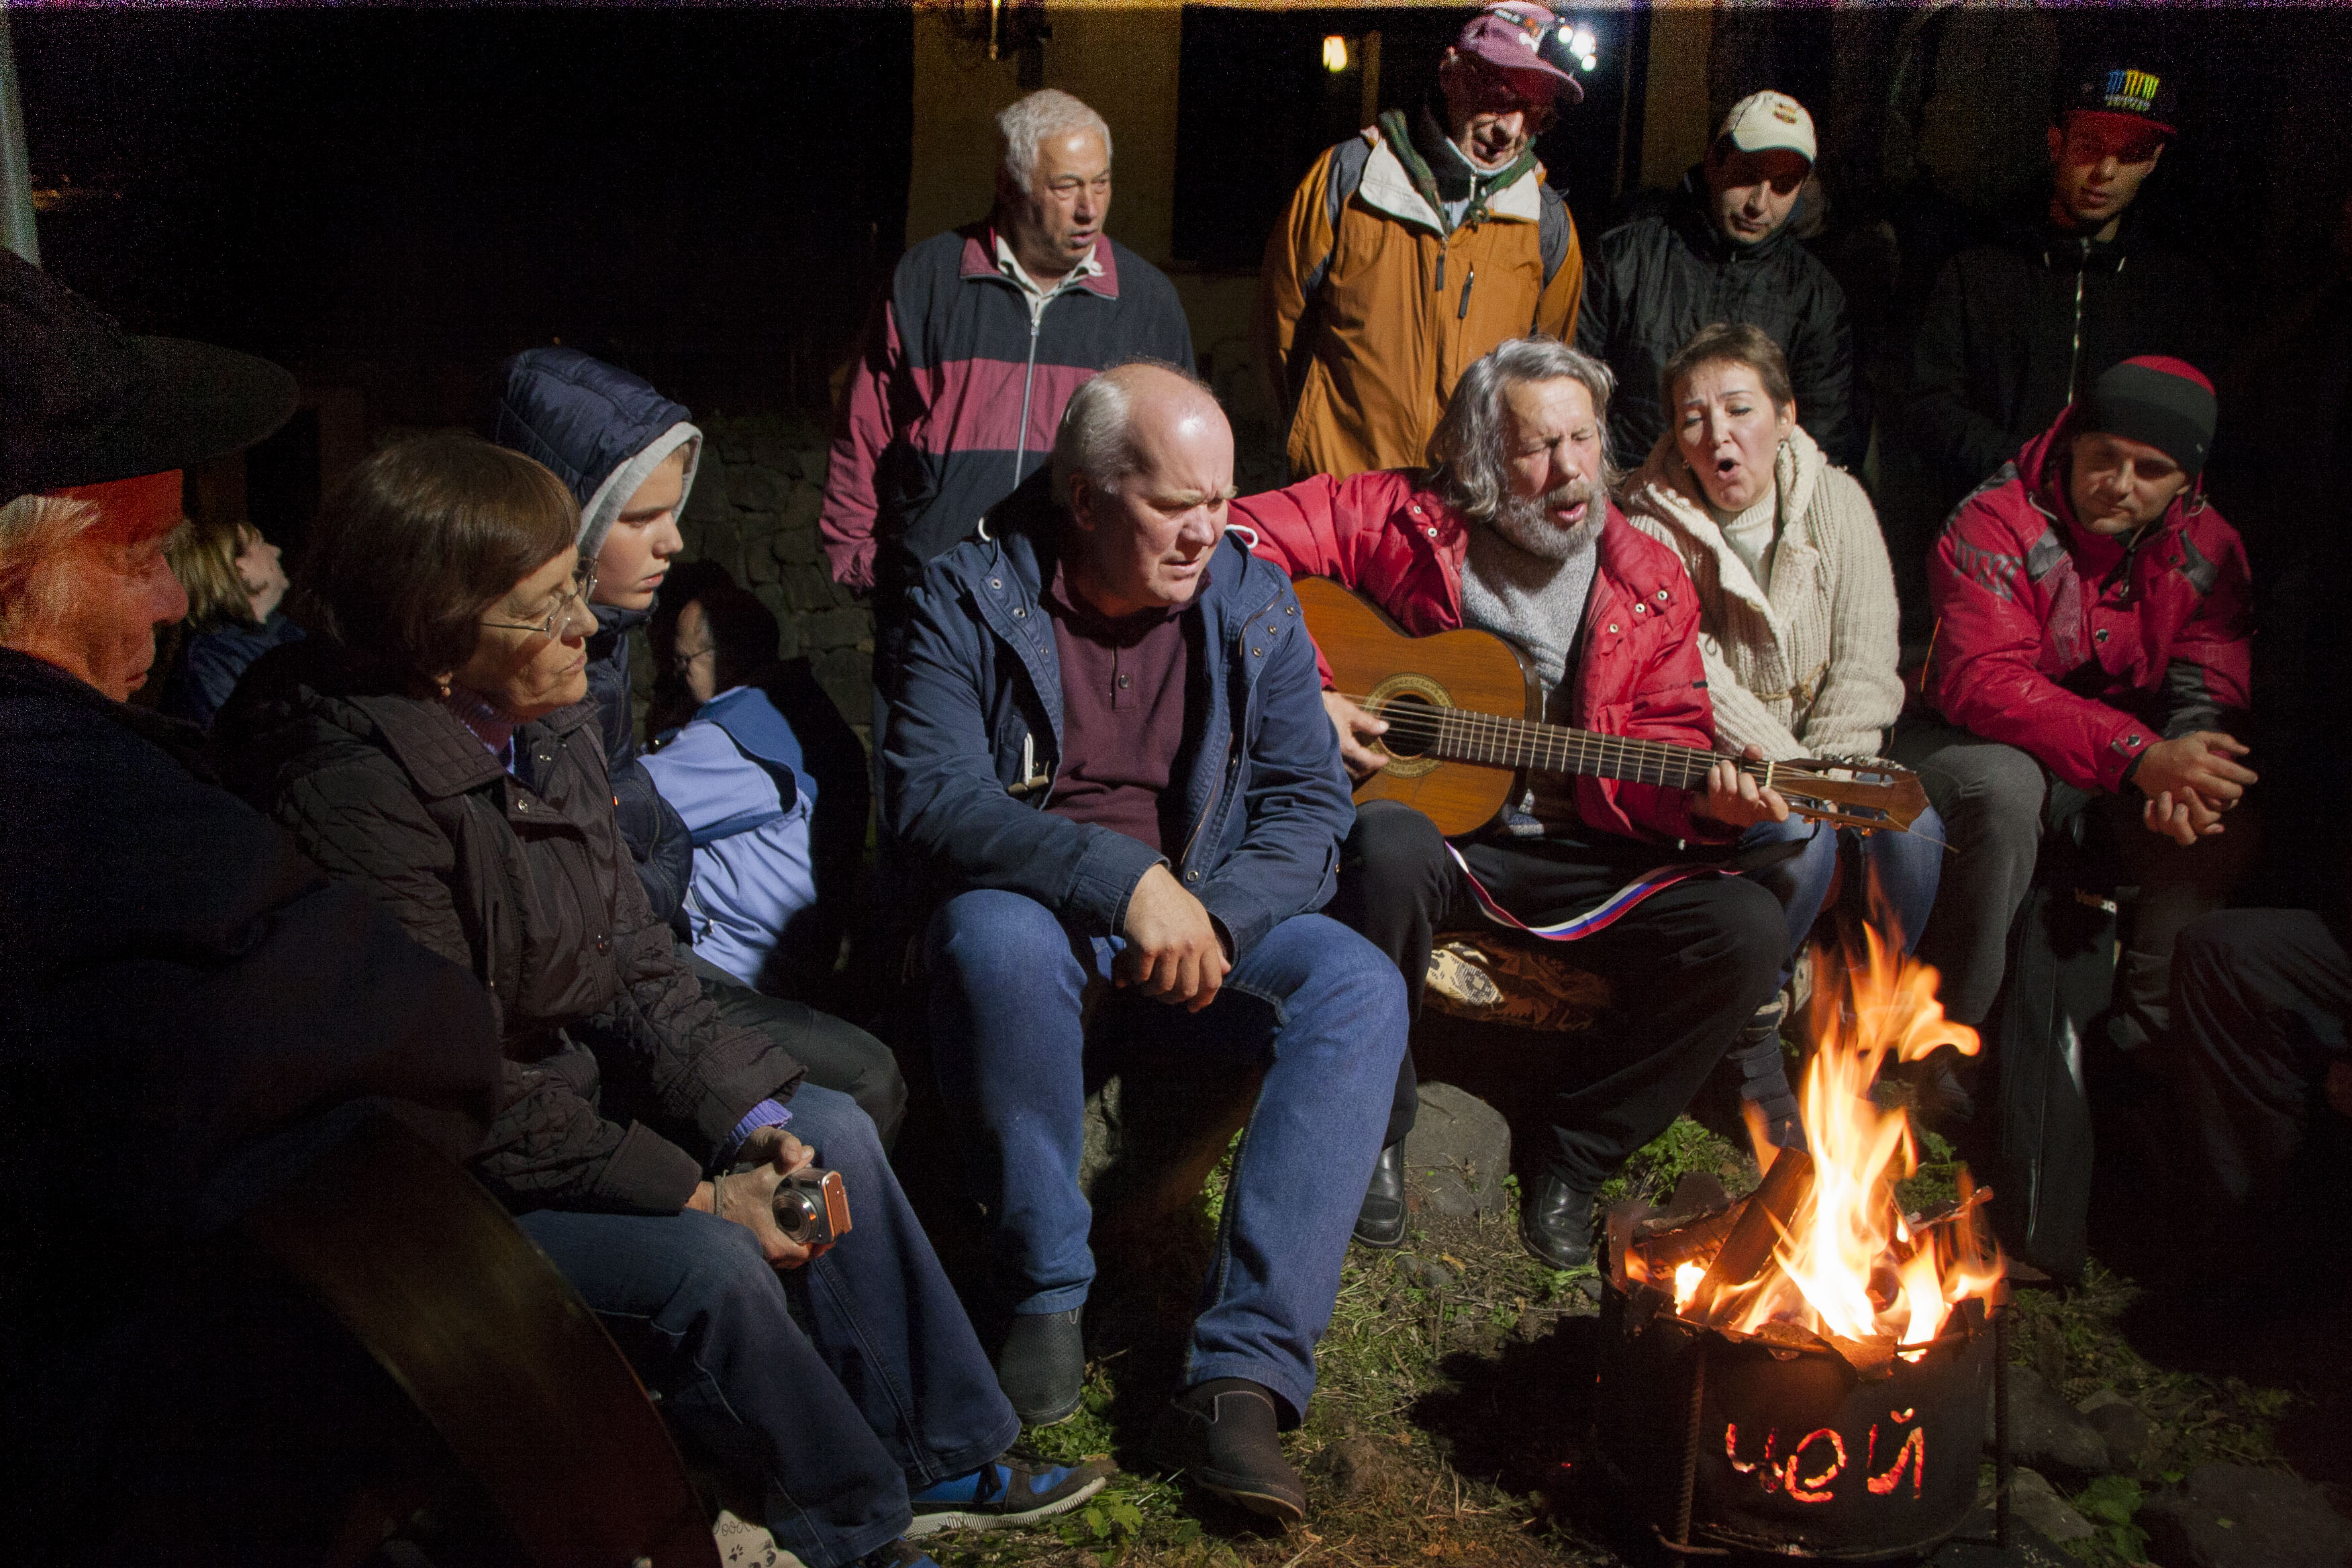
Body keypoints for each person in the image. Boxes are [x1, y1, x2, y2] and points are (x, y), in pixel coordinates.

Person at [215, 434, 1108, 1568]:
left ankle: (937, 1448)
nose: (586, 631)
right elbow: (454, 1076)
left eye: (574, 592)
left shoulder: (542, 722)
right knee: (710, 1267)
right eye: (543, 611)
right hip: (440, 1170)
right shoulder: (349, 796)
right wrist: (690, 1192)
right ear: (434, 635)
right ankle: (852, 1523)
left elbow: (634, 956)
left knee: (824, 1124)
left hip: (562, 1098)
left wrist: (751, 1122)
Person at [0, 250, 503, 1563]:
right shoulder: (80, 806)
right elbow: (430, 1028)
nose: (174, 600)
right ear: (18, 568)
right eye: (145, 553)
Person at [887, 361, 1408, 1524]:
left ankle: (1243, 1376)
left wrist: (1211, 915)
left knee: (1357, 988)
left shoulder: (1249, 598)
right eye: (1176, 505)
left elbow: (1307, 806)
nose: (1206, 533)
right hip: (1041, 911)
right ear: (1082, 498)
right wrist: (1120, 879)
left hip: (1201, 922)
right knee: (992, 939)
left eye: (1222, 501)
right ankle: (1044, 1286)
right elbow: (933, 798)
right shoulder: (961, 594)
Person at [1231, 336, 1790, 1266]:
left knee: (1746, 929)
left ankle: (1578, 1148)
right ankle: (1374, 1118)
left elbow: (1669, 742)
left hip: (1589, 854)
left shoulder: (1648, 580)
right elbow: (1234, 538)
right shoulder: (1395, 516)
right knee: (1386, 844)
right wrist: (1308, 693)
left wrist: (1708, 809)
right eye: (1537, 448)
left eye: (1584, 438)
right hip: (1444, 839)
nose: (1571, 471)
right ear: (1479, 460)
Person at [493, 347, 906, 1146]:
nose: (673, 541)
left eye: (686, 663)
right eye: (644, 517)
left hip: (708, 972)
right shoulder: (556, 682)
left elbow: (633, 827)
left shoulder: (741, 727)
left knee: (853, 1098)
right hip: (637, 985)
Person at [1892, 356, 2258, 1101]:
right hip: (1969, 739)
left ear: (2186, 480)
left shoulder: (2208, 547)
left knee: (2219, 815)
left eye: (2149, 469)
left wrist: (2187, 768)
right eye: (2104, 456)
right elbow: (1982, 679)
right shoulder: (1998, 516)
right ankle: (1938, 1053)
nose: (2120, 483)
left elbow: (2209, 683)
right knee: (2004, 786)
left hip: (2110, 762)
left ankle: (2145, 1050)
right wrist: (2140, 754)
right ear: (2073, 443)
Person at [1619, 323, 1942, 1144]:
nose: (1717, 435)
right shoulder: (1648, 520)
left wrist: (1838, 769)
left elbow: (1871, 656)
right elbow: (1690, 672)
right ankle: (1748, 1032)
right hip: (1720, 763)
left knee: (1914, 828)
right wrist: (1805, 778)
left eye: (1739, 409)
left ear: (1786, 415)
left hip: (1833, 750)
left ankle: (1851, 1038)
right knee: (1796, 829)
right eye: (1693, 418)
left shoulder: (1837, 502)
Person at [820, 89, 1195, 630]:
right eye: (1066, 187)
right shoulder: (928, 279)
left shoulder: (1147, 303)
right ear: (1008, 184)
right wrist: (866, 567)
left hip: (1077, 613)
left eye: (1102, 182)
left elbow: (1181, 463)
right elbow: (864, 430)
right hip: (931, 601)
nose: (1090, 207)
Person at [1256, 1, 1585, 483]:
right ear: (1451, 75)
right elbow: (1277, 328)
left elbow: (1550, 380)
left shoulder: (1547, 222)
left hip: (1468, 507)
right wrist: (1305, 453)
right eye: (1497, 95)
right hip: (1340, 500)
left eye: (1533, 112)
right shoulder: (1350, 177)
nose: (1509, 129)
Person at [1911, 60, 2222, 511]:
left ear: (2153, 162)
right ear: (2056, 141)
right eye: (2091, 145)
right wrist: (2031, 469)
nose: (2106, 171)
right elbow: (1930, 407)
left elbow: (2197, 428)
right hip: (1997, 524)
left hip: (2123, 541)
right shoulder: (1976, 274)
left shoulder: (2174, 292)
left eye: (2131, 153)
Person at [1576, 92, 1863, 473]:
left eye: (1783, 186)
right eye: (1747, 177)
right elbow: (1575, 395)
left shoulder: (1816, 298)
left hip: (1744, 514)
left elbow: (1818, 444)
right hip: (1626, 496)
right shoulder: (1625, 257)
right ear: (1714, 162)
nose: (1759, 204)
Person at [642, 569, 867, 1003]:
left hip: (727, 972)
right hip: (795, 966)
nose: (680, 677)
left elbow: (624, 807)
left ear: (722, 654)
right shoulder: (808, 713)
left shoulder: (738, 737)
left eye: (684, 662)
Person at [156, 514, 305, 728]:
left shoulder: (284, 632)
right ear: (239, 569)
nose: (276, 551)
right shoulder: (209, 666)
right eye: (260, 545)